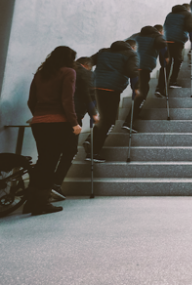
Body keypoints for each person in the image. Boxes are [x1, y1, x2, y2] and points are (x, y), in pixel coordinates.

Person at [24, 46, 80, 215]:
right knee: (50, 163)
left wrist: (39, 117)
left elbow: (31, 101)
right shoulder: (68, 72)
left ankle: (31, 202)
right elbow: (67, 100)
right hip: (58, 123)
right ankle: (41, 203)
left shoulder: (40, 74)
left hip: (39, 123)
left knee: (43, 161)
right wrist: (74, 123)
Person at [48, 57, 98, 202]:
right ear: (87, 65)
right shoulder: (85, 73)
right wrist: (94, 113)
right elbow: (89, 95)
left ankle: (42, 185)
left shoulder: (58, 72)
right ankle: (55, 183)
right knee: (70, 151)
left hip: (50, 116)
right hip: (71, 117)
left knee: (50, 152)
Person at [87, 41, 138, 161]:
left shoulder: (103, 52)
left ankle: (91, 142)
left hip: (95, 87)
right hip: (111, 90)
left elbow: (88, 63)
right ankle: (93, 151)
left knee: (103, 119)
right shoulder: (131, 54)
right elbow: (132, 72)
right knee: (108, 120)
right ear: (131, 47)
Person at [128, 26, 168, 126]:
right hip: (143, 68)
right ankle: (129, 121)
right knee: (142, 92)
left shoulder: (135, 36)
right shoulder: (157, 37)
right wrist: (166, 59)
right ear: (159, 31)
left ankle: (134, 113)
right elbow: (163, 46)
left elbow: (125, 44)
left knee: (137, 91)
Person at [159, 4, 192, 94]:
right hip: (177, 41)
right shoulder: (187, 14)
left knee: (166, 64)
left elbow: (165, 27)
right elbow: (190, 28)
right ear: (187, 9)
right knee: (178, 60)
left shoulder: (170, 14)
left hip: (166, 41)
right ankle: (173, 81)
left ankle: (160, 89)